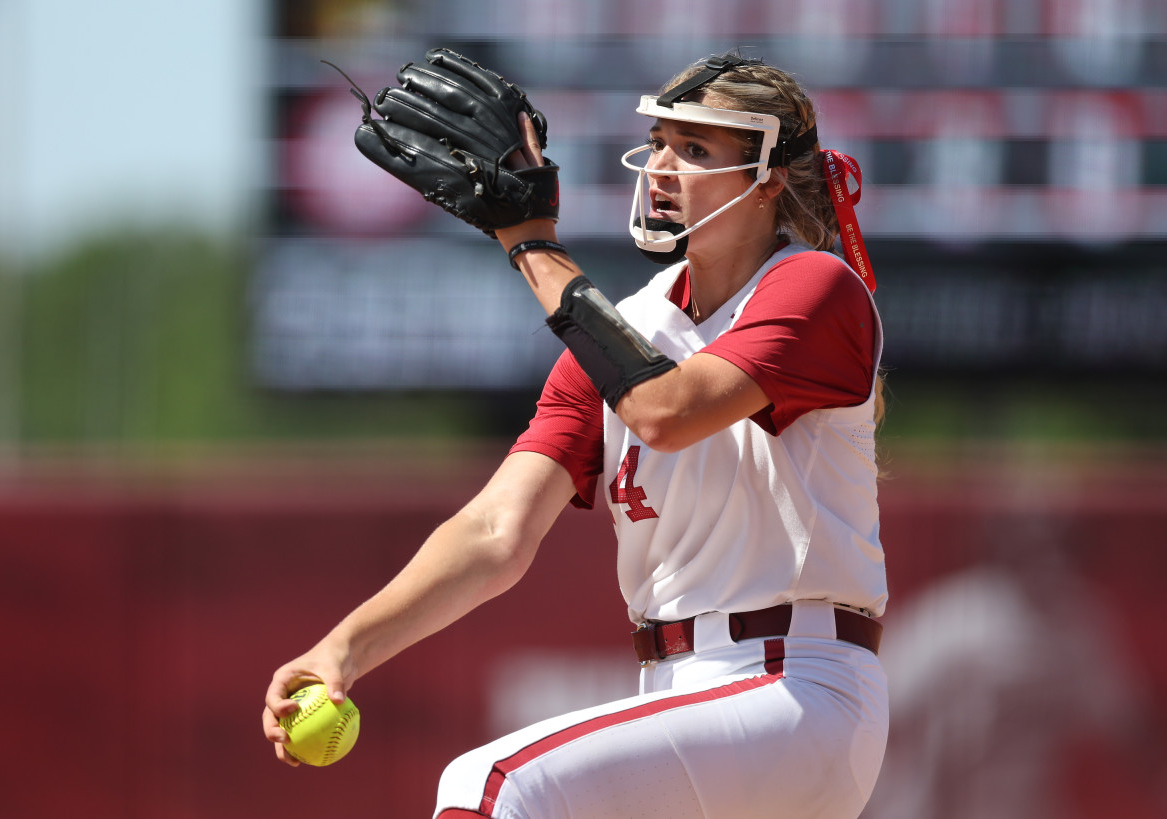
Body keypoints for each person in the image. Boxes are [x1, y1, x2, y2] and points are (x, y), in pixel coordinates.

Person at [264, 50, 889, 819]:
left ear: (768, 176)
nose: (663, 164)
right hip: (682, 698)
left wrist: (530, 242)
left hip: (793, 686)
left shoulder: (813, 288)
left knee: (493, 784)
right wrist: (344, 648)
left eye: (697, 148)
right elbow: (496, 531)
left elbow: (669, 410)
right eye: (660, 140)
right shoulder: (621, 332)